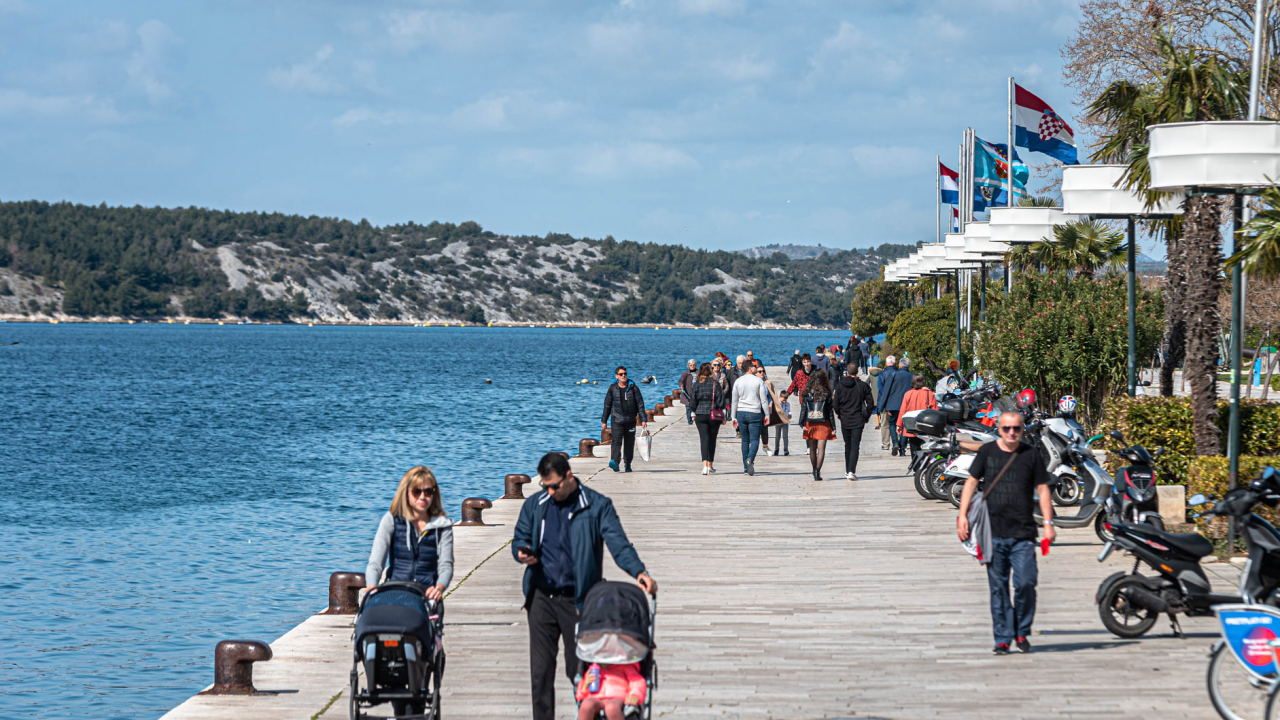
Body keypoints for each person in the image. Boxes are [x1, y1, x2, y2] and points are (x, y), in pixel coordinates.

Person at [514, 453, 657, 720]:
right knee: (540, 674)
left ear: (569, 476)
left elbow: (618, 543)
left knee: (579, 672)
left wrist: (639, 572)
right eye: (545, 486)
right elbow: (520, 536)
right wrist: (521, 552)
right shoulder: (536, 504)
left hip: (579, 601)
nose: (550, 491)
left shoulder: (596, 505)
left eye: (554, 486)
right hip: (540, 597)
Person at [957, 411, 1054, 655]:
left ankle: (1021, 631)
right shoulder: (987, 452)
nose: (1011, 433)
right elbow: (971, 482)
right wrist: (962, 515)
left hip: (1023, 533)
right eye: (1006, 428)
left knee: (1026, 584)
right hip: (992, 532)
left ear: (1022, 430)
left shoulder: (1030, 454)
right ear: (999, 429)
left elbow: (1042, 488)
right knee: (998, 588)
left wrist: (1048, 523)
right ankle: (1002, 637)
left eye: (1016, 429)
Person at [365, 466, 455, 600]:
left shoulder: (442, 525)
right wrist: (372, 585)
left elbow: (445, 565)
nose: (422, 497)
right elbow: (376, 563)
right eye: (416, 491)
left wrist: (439, 588)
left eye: (428, 491)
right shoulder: (391, 520)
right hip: (394, 592)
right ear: (406, 492)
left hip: (425, 595)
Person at [833, 361, 875, 481]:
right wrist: (866, 416)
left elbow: (835, 404)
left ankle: (848, 470)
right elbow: (870, 403)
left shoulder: (840, 386)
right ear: (857, 372)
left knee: (848, 445)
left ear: (847, 372)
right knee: (855, 445)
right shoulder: (863, 386)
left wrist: (840, 414)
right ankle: (851, 471)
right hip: (858, 419)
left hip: (845, 419)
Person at [601, 366, 647, 472]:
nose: (623, 376)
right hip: (617, 420)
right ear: (616, 376)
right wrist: (604, 421)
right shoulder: (612, 388)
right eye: (621, 374)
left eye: (625, 373)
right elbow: (607, 405)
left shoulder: (633, 388)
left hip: (630, 421)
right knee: (616, 442)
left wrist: (643, 419)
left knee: (629, 444)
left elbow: (640, 404)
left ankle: (628, 464)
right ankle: (615, 462)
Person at [730, 363, 770, 475]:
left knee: (745, 441)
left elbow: (734, 401)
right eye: (754, 366)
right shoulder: (758, 381)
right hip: (755, 412)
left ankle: (746, 468)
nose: (755, 368)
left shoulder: (738, 381)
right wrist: (767, 414)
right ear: (749, 368)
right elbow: (763, 400)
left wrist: (733, 416)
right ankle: (750, 459)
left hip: (741, 412)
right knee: (755, 440)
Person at [575, 660, 647, 720]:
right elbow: (579, 696)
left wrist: (635, 695)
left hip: (617, 696)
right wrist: (585, 685)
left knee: (611, 708)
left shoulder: (625, 666)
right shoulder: (592, 669)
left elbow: (637, 681)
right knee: (586, 706)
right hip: (595, 697)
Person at [800, 371, 836, 481]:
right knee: (821, 449)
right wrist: (833, 427)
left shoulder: (807, 392)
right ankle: (817, 471)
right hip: (824, 422)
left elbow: (803, 409)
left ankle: (814, 469)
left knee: (812, 448)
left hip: (810, 422)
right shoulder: (827, 392)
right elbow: (830, 412)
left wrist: (801, 423)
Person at [691, 362, 724, 475]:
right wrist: (723, 412)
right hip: (713, 414)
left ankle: (704, 466)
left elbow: (692, 401)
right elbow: (720, 400)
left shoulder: (696, 384)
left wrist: (693, 412)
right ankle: (710, 465)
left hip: (700, 414)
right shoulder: (715, 383)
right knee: (712, 439)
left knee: (704, 439)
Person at [876, 356, 913, 456]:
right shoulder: (912, 376)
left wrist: (882, 406)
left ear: (900, 365)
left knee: (892, 423)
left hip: (893, 404)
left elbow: (886, 391)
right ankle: (902, 449)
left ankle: (895, 443)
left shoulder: (894, 374)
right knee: (905, 425)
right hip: (907, 405)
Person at [896, 374, 938, 458]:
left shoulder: (908, 394)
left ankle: (915, 463)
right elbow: (935, 411)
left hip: (912, 425)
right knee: (926, 449)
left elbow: (903, 410)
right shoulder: (929, 394)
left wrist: (899, 425)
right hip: (925, 425)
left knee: (914, 448)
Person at [761, 368, 789, 457]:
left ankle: (786, 449)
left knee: (785, 436)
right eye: (783, 400)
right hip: (778, 420)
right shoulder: (778, 403)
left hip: (785, 421)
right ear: (780, 397)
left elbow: (789, 411)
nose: (784, 401)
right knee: (777, 436)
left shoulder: (787, 404)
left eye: (785, 400)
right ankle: (776, 449)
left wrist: (789, 414)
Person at [678, 358, 697, 425]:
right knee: (688, 406)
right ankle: (690, 420)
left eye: (693, 365)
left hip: (696, 391)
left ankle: (696, 418)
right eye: (691, 365)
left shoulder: (698, 372)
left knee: (696, 405)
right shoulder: (686, 373)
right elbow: (681, 381)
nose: (692, 366)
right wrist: (681, 386)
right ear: (688, 366)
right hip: (688, 392)